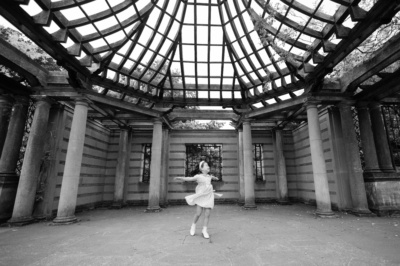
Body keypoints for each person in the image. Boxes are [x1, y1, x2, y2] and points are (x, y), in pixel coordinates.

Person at [174, 161, 222, 239]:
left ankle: (204, 230)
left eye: (208, 165)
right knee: (198, 213)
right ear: (202, 168)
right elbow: (189, 178)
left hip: (209, 196)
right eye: (206, 165)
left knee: (207, 214)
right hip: (201, 197)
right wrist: (181, 178)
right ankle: (193, 226)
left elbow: (212, 177)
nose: (208, 166)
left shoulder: (209, 176)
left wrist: (215, 178)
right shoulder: (198, 176)